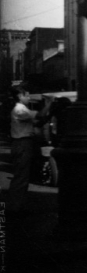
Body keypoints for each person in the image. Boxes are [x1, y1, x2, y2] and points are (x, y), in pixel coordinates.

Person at [5, 85, 39, 215]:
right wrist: (49, 104)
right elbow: (39, 116)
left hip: (23, 143)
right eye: (27, 95)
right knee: (20, 177)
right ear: (20, 96)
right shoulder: (20, 110)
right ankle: (13, 207)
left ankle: (17, 205)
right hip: (22, 143)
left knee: (22, 176)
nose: (29, 98)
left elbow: (37, 121)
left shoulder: (23, 109)